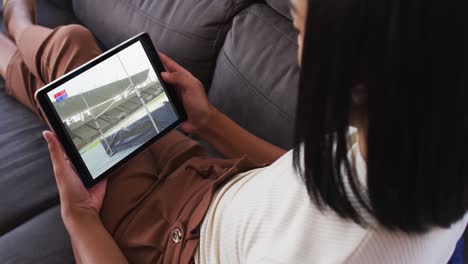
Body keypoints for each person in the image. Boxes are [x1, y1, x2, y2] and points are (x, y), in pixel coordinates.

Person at [1, 0, 466, 262]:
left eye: (299, 30)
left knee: (71, 51)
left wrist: (79, 217)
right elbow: (304, 181)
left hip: (168, 239)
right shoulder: (425, 143)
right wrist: (209, 122)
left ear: (354, 73)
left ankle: (15, 26)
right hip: (213, 180)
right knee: (82, 81)